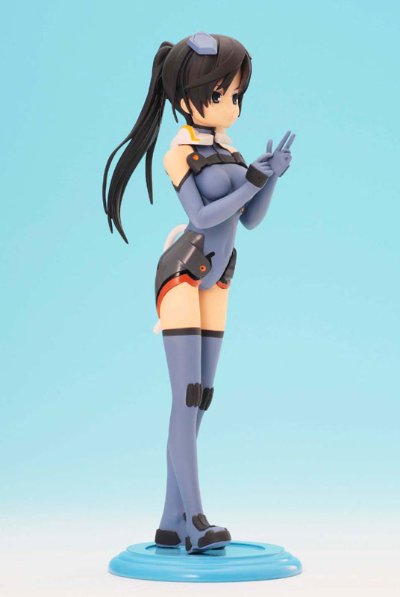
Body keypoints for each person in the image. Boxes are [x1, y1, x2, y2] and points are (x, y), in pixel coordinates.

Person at [102, 32, 295, 553]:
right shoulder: (179, 152)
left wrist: (270, 178)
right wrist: (252, 180)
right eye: (220, 93)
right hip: (184, 273)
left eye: (236, 95)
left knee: (202, 398)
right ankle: (196, 520)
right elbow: (203, 215)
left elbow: (248, 220)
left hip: (221, 273)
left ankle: (171, 521)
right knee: (186, 397)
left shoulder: (230, 150)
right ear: (187, 96)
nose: (230, 105)